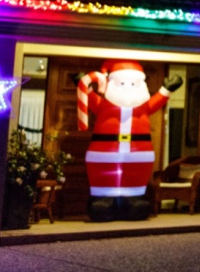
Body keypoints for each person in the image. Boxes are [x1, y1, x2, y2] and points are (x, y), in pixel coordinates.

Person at [78, 59, 183, 221]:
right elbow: (90, 99)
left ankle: (134, 199)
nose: (128, 87)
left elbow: (157, 101)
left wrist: (167, 89)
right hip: (104, 150)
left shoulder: (144, 106)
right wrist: (83, 86)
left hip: (139, 152)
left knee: (136, 175)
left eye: (133, 83)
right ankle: (102, 199)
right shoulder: (104, 105)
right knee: (103, 175)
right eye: (121, 83)